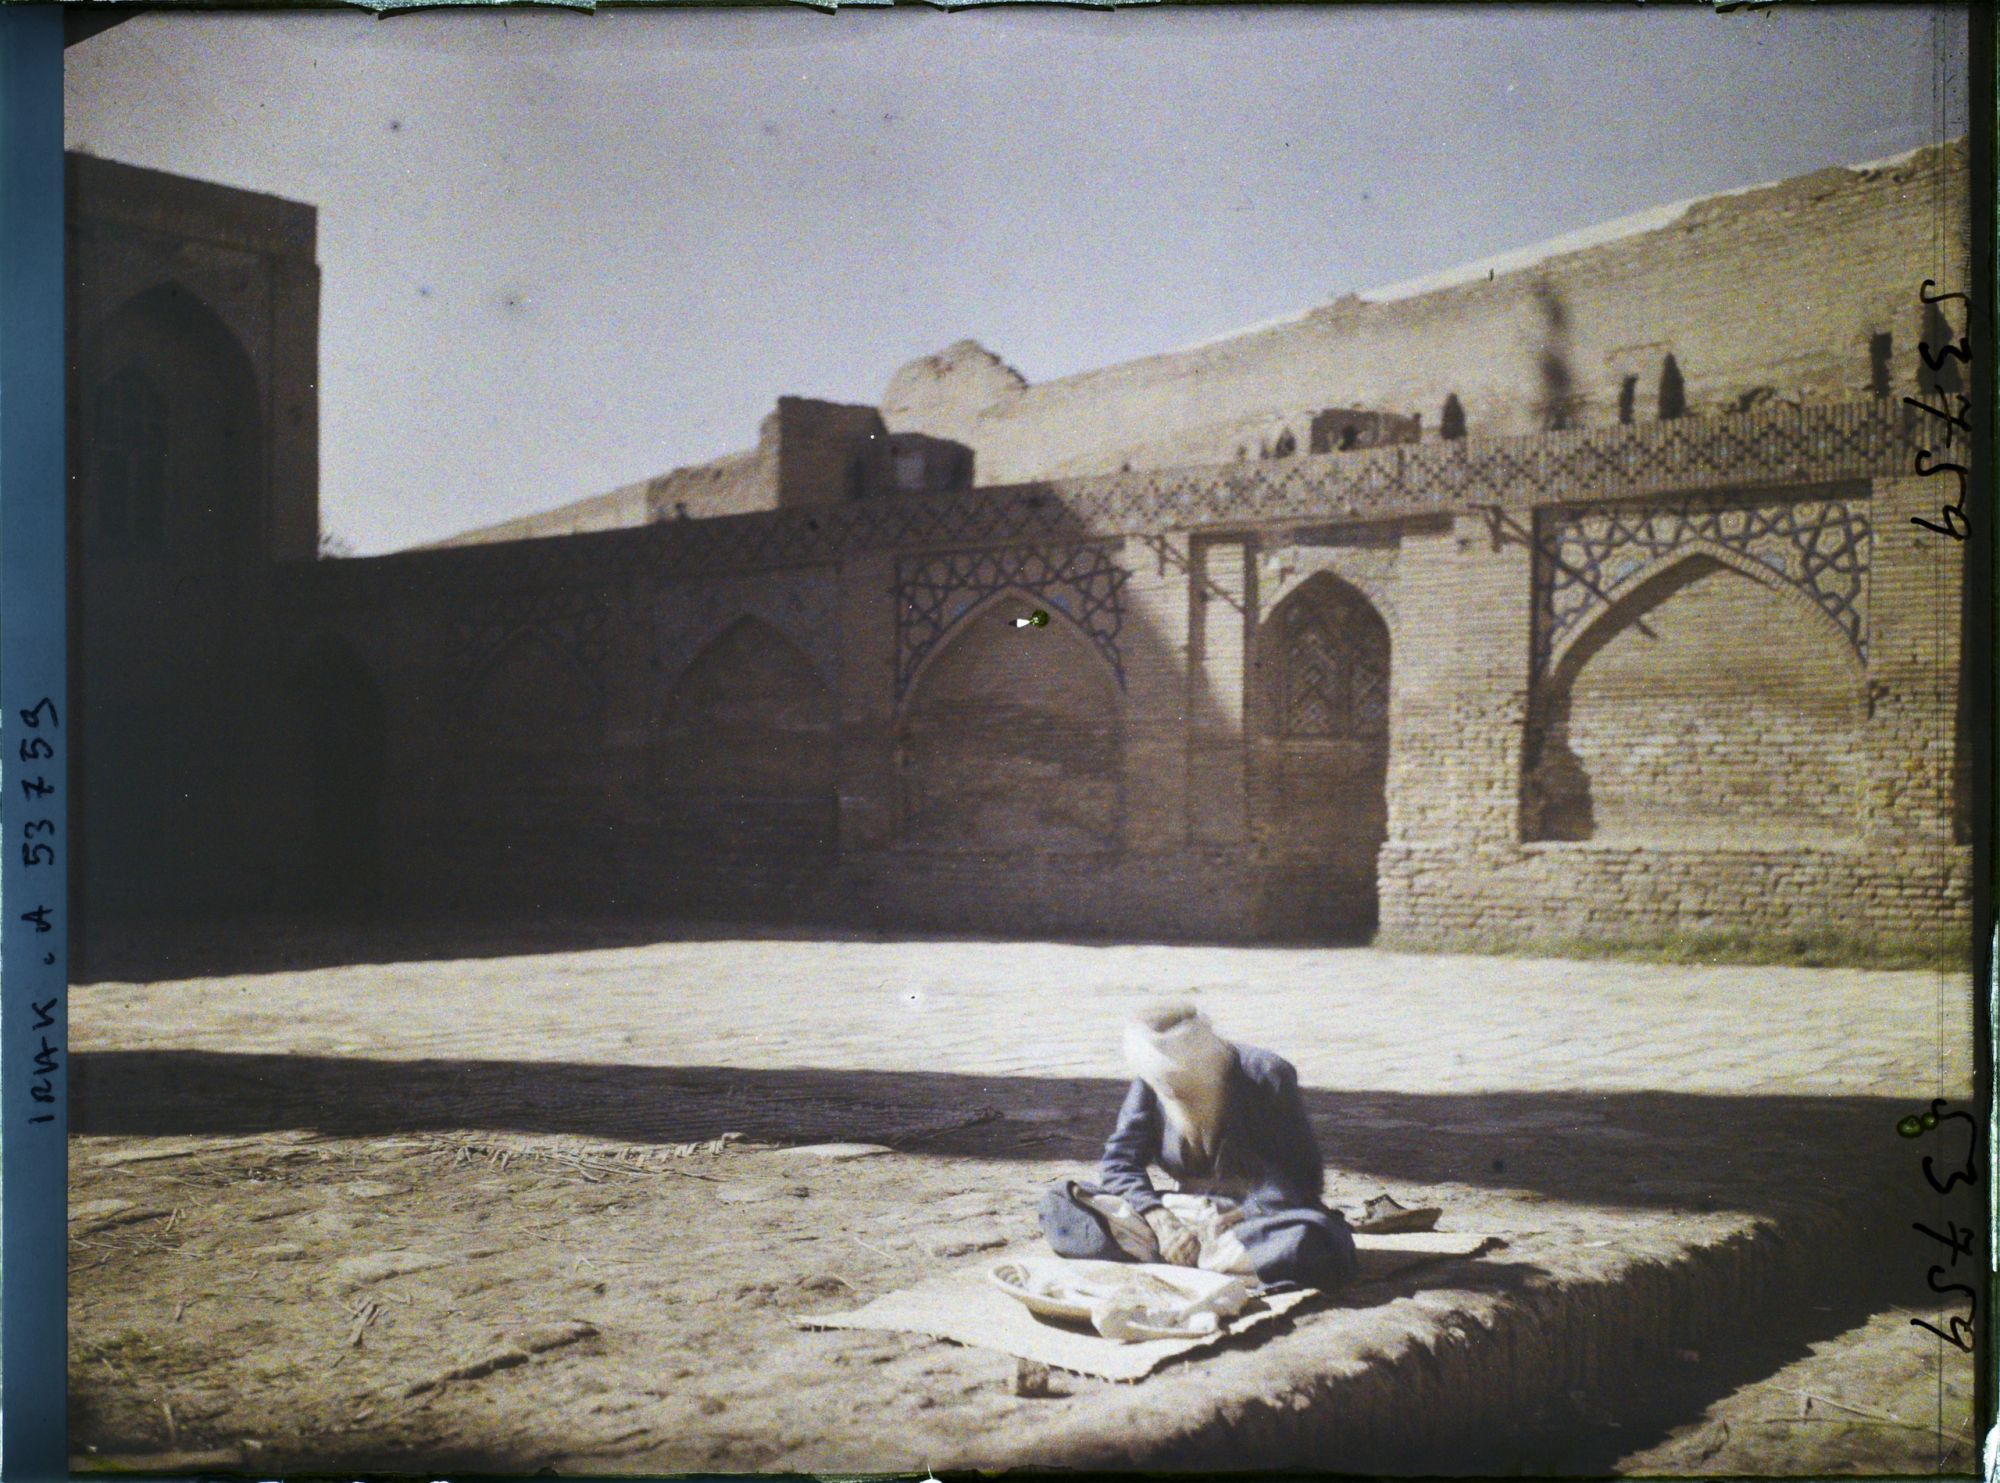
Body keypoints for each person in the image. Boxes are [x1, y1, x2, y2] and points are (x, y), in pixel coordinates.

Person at [1037, 1000, 1357, 1291]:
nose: (1176, 1092)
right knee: (1062, 1205)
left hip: (1255, 1222)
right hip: (1181, 1214)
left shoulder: (1267, 1073)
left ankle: (1179, 1261)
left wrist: (1237, 1217)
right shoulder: (1153, 1081)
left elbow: (1303, 1180)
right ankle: (1200, 1262)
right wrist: (1159, 1219)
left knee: (1306, 1243)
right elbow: (1119, 1162)